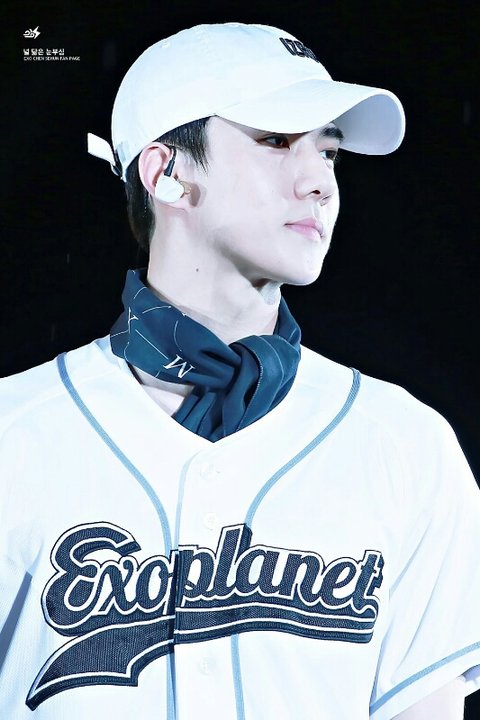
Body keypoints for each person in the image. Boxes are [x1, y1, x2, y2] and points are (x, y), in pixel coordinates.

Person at [0, 22, 479, 720]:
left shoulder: (406, 444)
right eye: (276, 141)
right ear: (166, 172)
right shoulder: (14, 434)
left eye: (329, 152)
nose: (319, 182)